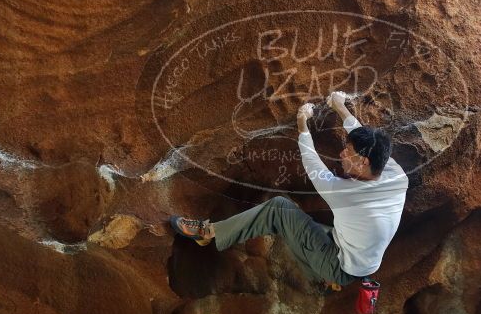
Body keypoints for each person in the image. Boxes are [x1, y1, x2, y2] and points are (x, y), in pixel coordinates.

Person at [170, 91, 409, 289]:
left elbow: (313, 165)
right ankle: (327, 280)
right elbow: (367, 138)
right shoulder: (395, 175)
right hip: (363, 257)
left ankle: (208, 233)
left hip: (340, 263)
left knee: (279, 210)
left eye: (348, 152)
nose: (341, 154)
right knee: (301, 223)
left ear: (364, 162)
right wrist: (340, 107)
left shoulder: (347, 196)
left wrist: (302, 125)